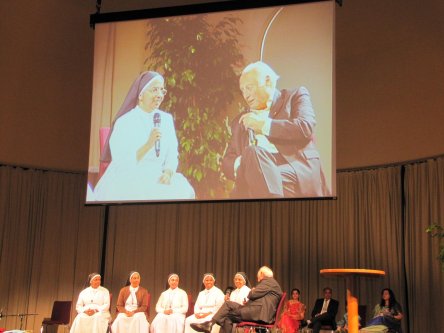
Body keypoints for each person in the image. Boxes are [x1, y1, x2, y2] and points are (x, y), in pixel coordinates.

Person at [221, 61, 329, 199]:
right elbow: (227, 161)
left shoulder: (295, 96)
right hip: (254, 170)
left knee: (254, 163)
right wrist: (244, 164)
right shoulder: (239, 121)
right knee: (252, 153)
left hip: (293, 167)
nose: (246, 95)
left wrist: (263, 125)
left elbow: (305, 127)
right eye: (242, 90)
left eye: (249, 88)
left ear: (268, 82)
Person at [94, 71, 195, 201]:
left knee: (182, 190)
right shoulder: (125, 122)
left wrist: (168, 173)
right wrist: (148, 145)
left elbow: (172, 153)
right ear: (140, 94)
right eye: (154, 90)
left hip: (157, 176)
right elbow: (121, 161)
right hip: (128, 177)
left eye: (162, 91)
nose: (159, 95)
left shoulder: (166, 119)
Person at [190, 266, 283, 333]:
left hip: (260, 313)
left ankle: (209, 324)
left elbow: (252, 294)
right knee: (228, 305)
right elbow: (259, 298)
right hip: (257, 311)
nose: (258, 279)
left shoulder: (268, 281)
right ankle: (209, 324)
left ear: (262, 274)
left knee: (227, 316)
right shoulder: (271, 283)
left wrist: (253, 290)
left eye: (258, 276)